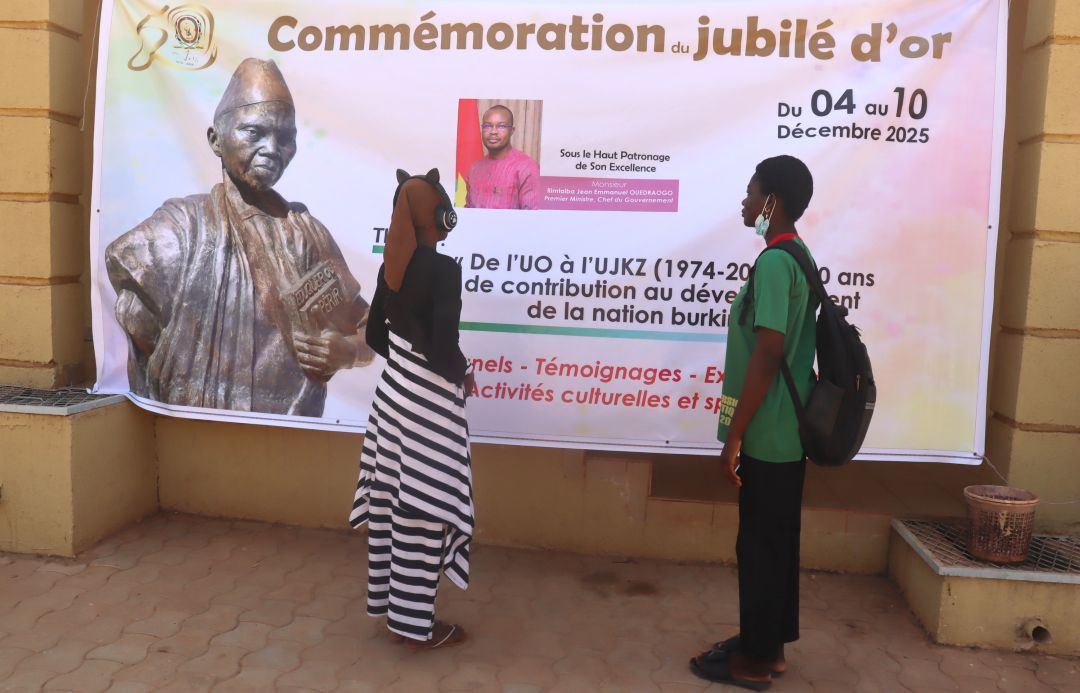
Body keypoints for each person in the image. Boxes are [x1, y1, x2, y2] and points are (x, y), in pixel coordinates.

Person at [105, 58, 373, 417]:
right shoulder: (180, 228)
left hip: (289, 432)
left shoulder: (307, 233)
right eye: (254, 132)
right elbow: (134, 300)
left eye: (285, 138)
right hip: (193, 427)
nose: (272, 148)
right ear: (216, 140)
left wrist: (349, 351)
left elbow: (367, 326)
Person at [690, 155, 817, 690]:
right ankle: (771, 648)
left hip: (767, 433)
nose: (744, 203)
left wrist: (734, 435)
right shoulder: (797, 255)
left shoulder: (773, 263)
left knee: (759, 547)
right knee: (777, 542)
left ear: (772, 202)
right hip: (790, 434)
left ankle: (753, 663)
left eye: (750, 193)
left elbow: (768, 351)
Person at [349, 168, 476, 650]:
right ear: (439, 216)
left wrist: (406, 364)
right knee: (426, 506)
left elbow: (376, 337)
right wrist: (460, 372)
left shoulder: (391, 268)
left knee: (393, 505)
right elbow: (444, 349)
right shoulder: (443, 271)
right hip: (429, 410)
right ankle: (414, 626)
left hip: (392, 403)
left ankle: (394, 614)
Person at [464, 105, 540, 209]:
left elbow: (532, 218)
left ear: (512, 131)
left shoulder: (527, 168)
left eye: (501, 126)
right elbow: (468, 211)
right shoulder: (474, 168)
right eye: (487, 126)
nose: (493, 131)